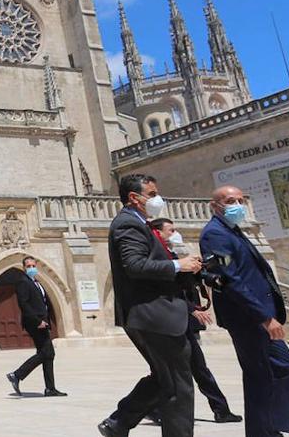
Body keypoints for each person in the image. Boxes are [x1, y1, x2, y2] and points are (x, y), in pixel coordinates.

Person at [98, 174, 201, 437]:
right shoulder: (128, 224)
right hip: (154, 314)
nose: (157, 199)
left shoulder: (140, 223)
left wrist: (189, 267)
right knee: (178, 386)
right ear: (134, 197)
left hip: (159, 314)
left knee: (165, 377)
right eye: (152, 194)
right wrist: (178, 265)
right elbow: (134, 266)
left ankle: (119, 423)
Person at [200, 185, 289, 437]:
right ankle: (262, 432)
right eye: (231, 200)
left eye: (240, 200)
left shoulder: (233, 230)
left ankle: (267, 427)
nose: (238, 205)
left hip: (261, 314)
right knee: (258, 374)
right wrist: (264, 317)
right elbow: (231, 280)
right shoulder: (214, 235)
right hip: (247, 318)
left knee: (284, 366)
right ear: (215, 206)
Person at [146, 219, 241, 425]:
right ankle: (137, 412)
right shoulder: (159, 259)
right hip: (173, 320)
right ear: (157, 233)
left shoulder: (170, 256)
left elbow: (183, 286)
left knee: (190, 368)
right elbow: (167, 292)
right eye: (171, 230)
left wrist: (198, 270)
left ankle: (219, 409)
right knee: (187, 368)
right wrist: (192, 310)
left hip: (181, 321)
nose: (175, 233)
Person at [6, 256, 65, 397]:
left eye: (33, 265)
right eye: (28, 266)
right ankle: (17, 374)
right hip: (35, 323)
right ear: (24, 268)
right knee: (47, 353)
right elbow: (24, 304)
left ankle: (50, 388)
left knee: (48, 354)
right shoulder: (23, 282)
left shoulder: (36, 282)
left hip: (42, 322)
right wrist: (37, 321)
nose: (31, 268)